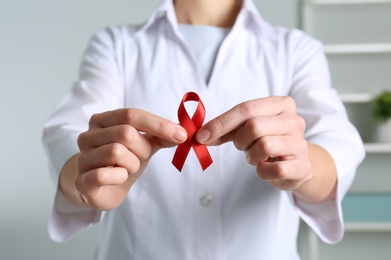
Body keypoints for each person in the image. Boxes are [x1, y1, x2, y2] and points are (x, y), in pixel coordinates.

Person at [42, 0, 365, 259]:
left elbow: (339, 141)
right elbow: (68, 132)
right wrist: (88, 178)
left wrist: (305, 167)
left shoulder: (295, 50)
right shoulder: (116, 45)